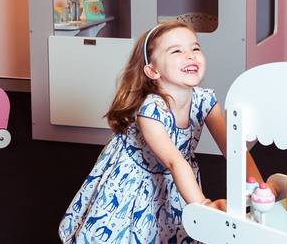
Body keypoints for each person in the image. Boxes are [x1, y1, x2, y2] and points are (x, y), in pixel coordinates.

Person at [59, 21, 275, 243]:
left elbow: (234, 149)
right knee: (126, 232)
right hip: (136, 176)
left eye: (195, 48)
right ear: (152, 70)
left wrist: (260, 188)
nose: (190, 55)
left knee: (170, 232)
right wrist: (203, 206)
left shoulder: (205, 100)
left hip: (177, 178)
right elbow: (174, 162)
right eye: (177, 51)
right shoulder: (151, 109)